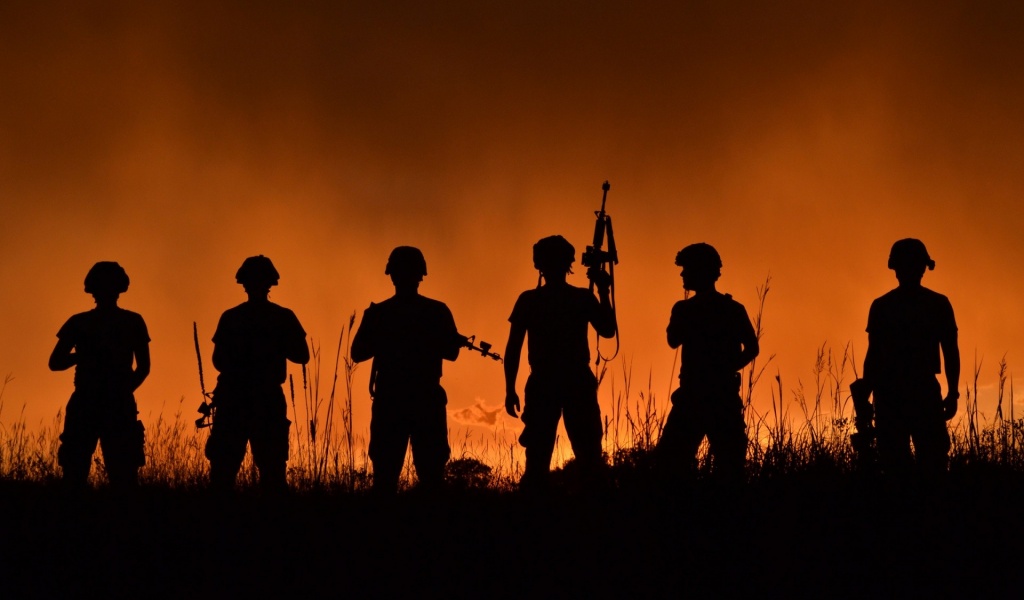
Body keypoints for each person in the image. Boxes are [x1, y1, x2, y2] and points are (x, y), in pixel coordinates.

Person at [504, 235, 616, 490]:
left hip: (550, 382)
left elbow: (514, 349)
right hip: (570, 380)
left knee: (546, 456)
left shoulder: (531, 300)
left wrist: (510, 388)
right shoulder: (577, 298)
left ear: (538, 264)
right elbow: (608, 330)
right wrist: (603, 291)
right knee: (582, 455)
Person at [351, 246, 462, 494]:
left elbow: (357, 353)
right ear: (422, 273)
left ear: (391, 274)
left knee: (391, 475)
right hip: (417, 398)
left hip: (396, 399)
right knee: (425, 474)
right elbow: (452, 352)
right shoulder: (435, 311)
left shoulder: (379, 313)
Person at [206, 255, 309, 491]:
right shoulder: (282, 317)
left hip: (237, 398)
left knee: (226, 471)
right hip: (263, 399)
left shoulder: (232, 317)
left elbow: (218, 360)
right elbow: (302, 355)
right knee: (268, 470)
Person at [656, 243, 758, 482]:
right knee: (729, 466)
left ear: (700, 271)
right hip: (720, 396)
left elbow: (672, 340)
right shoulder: (732, 308)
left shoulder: (686, 309)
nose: (682, 275)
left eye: (686, 269)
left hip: (695, 397)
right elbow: (752, 348)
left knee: (671, 463)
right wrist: (728, 368)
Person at [859, 238, 960, 474]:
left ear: (894, 268)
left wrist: (866, 397)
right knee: (930, 464)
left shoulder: (882, 306)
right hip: (919, 392)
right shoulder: (937, 304)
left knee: (898, 466)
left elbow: (873, 356)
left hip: (892, 394)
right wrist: (952, 392)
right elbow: (951, 352)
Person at [49, 261, 150, 488]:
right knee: (90, 471)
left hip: (96, 401)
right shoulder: (129, 321)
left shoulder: (82, 322)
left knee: (117, 472)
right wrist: (122, 391)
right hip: (96, 401)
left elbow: (144, 368)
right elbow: (54, 363)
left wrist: (121, 391)